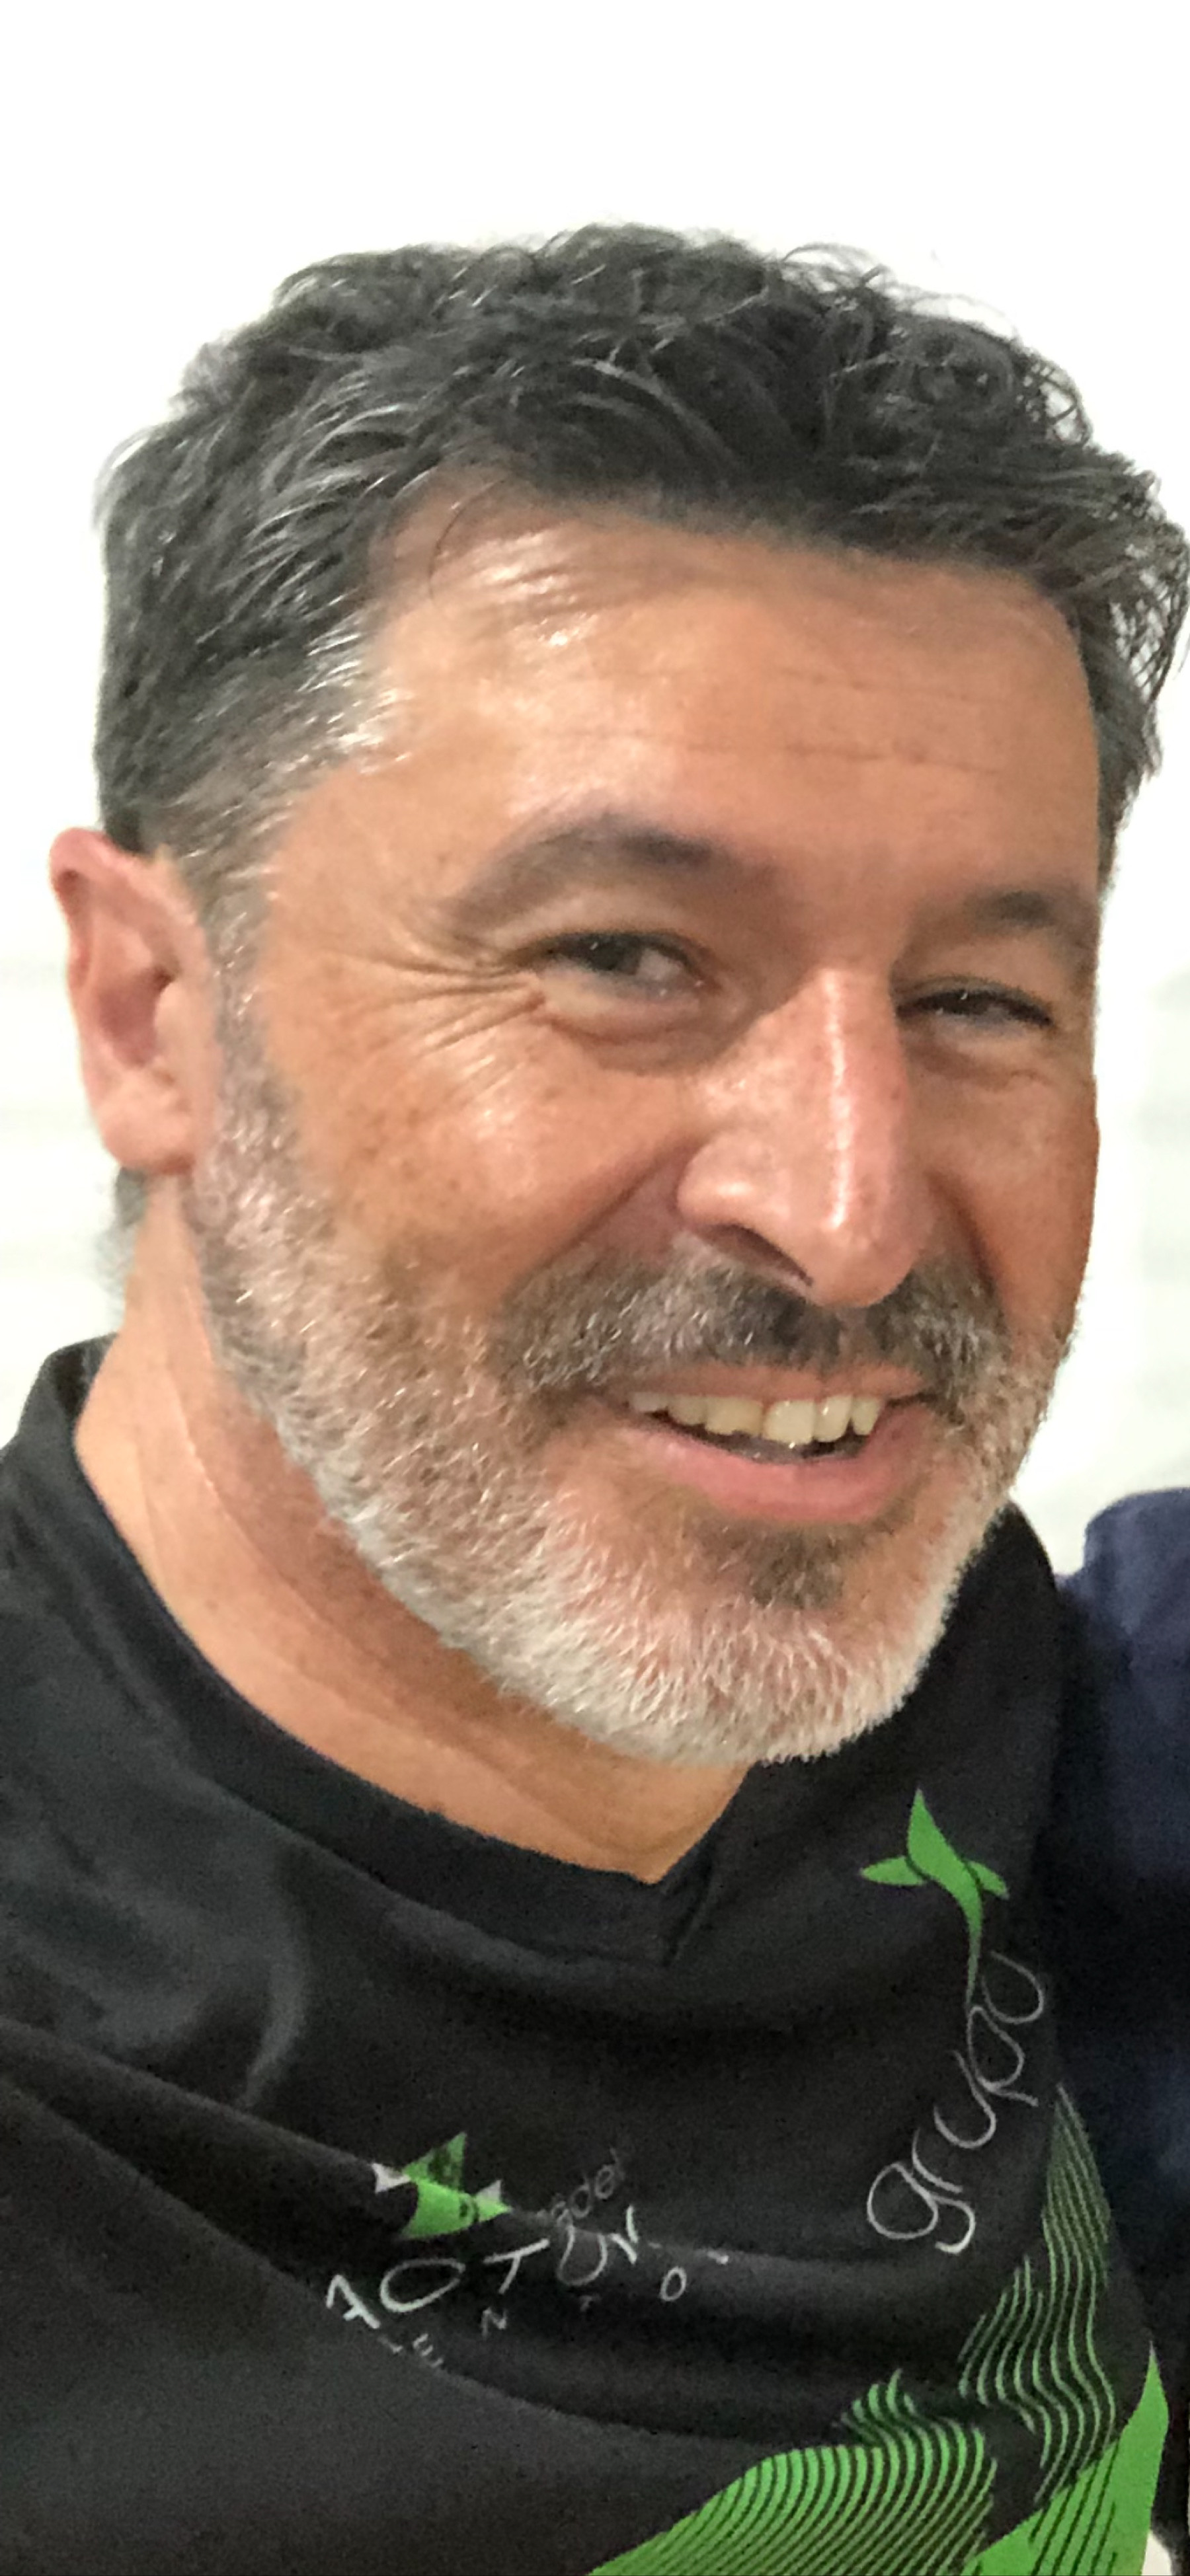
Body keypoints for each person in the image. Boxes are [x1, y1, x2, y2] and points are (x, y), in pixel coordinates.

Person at [1, 225, 1187, 2574]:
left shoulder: (1081, 1738)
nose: (849, 1217)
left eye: (976, 1000)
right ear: (152, 1013)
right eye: (625, 958)